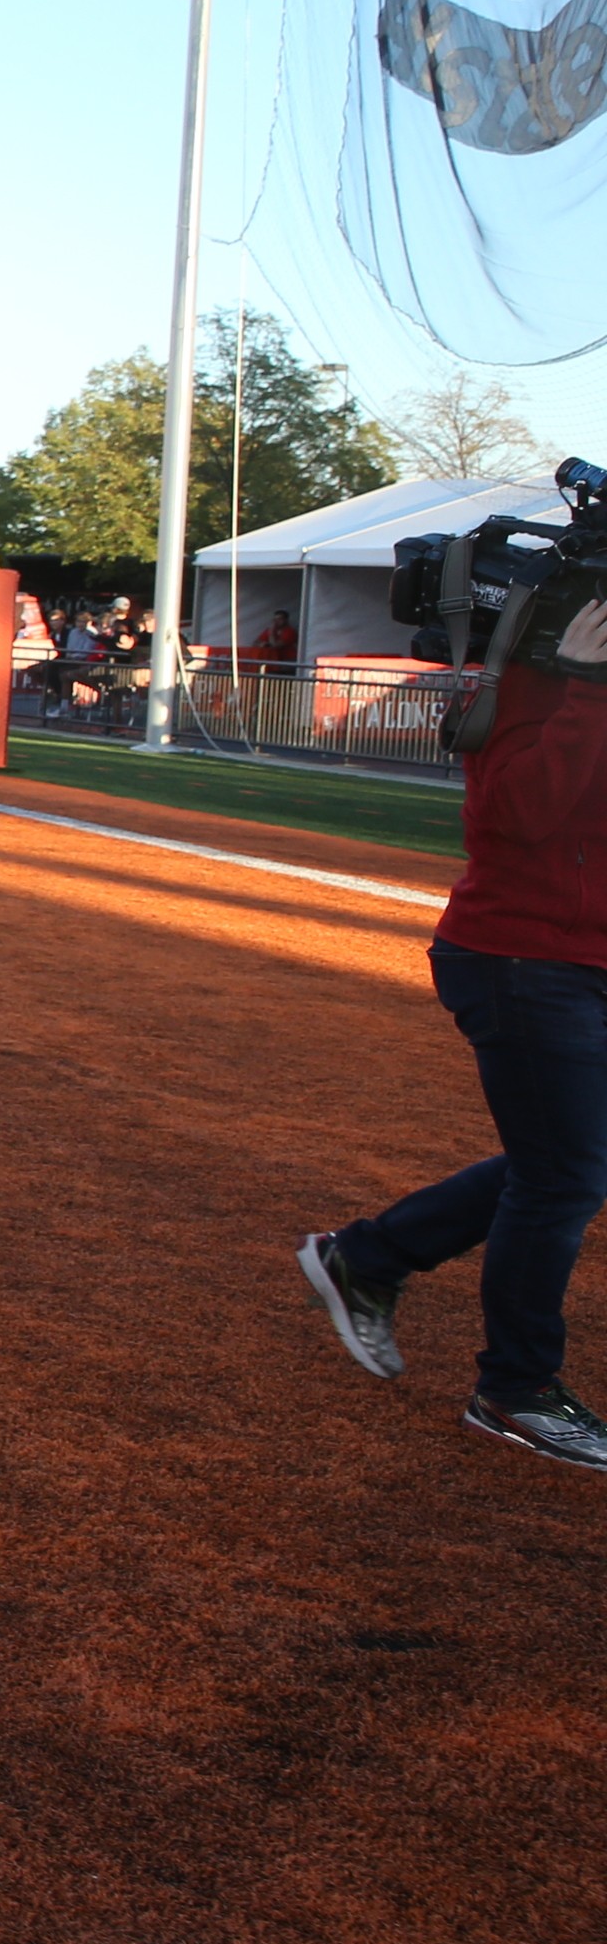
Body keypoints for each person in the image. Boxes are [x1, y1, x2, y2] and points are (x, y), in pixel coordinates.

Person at [299, 594, 607, 1467]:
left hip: (584, 960)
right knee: (563, 1178)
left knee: (565, 1159)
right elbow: (515, 818)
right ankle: (515, 1389)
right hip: (521, 961)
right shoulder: (531, 686)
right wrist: (584, 689)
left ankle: (369, 1257)